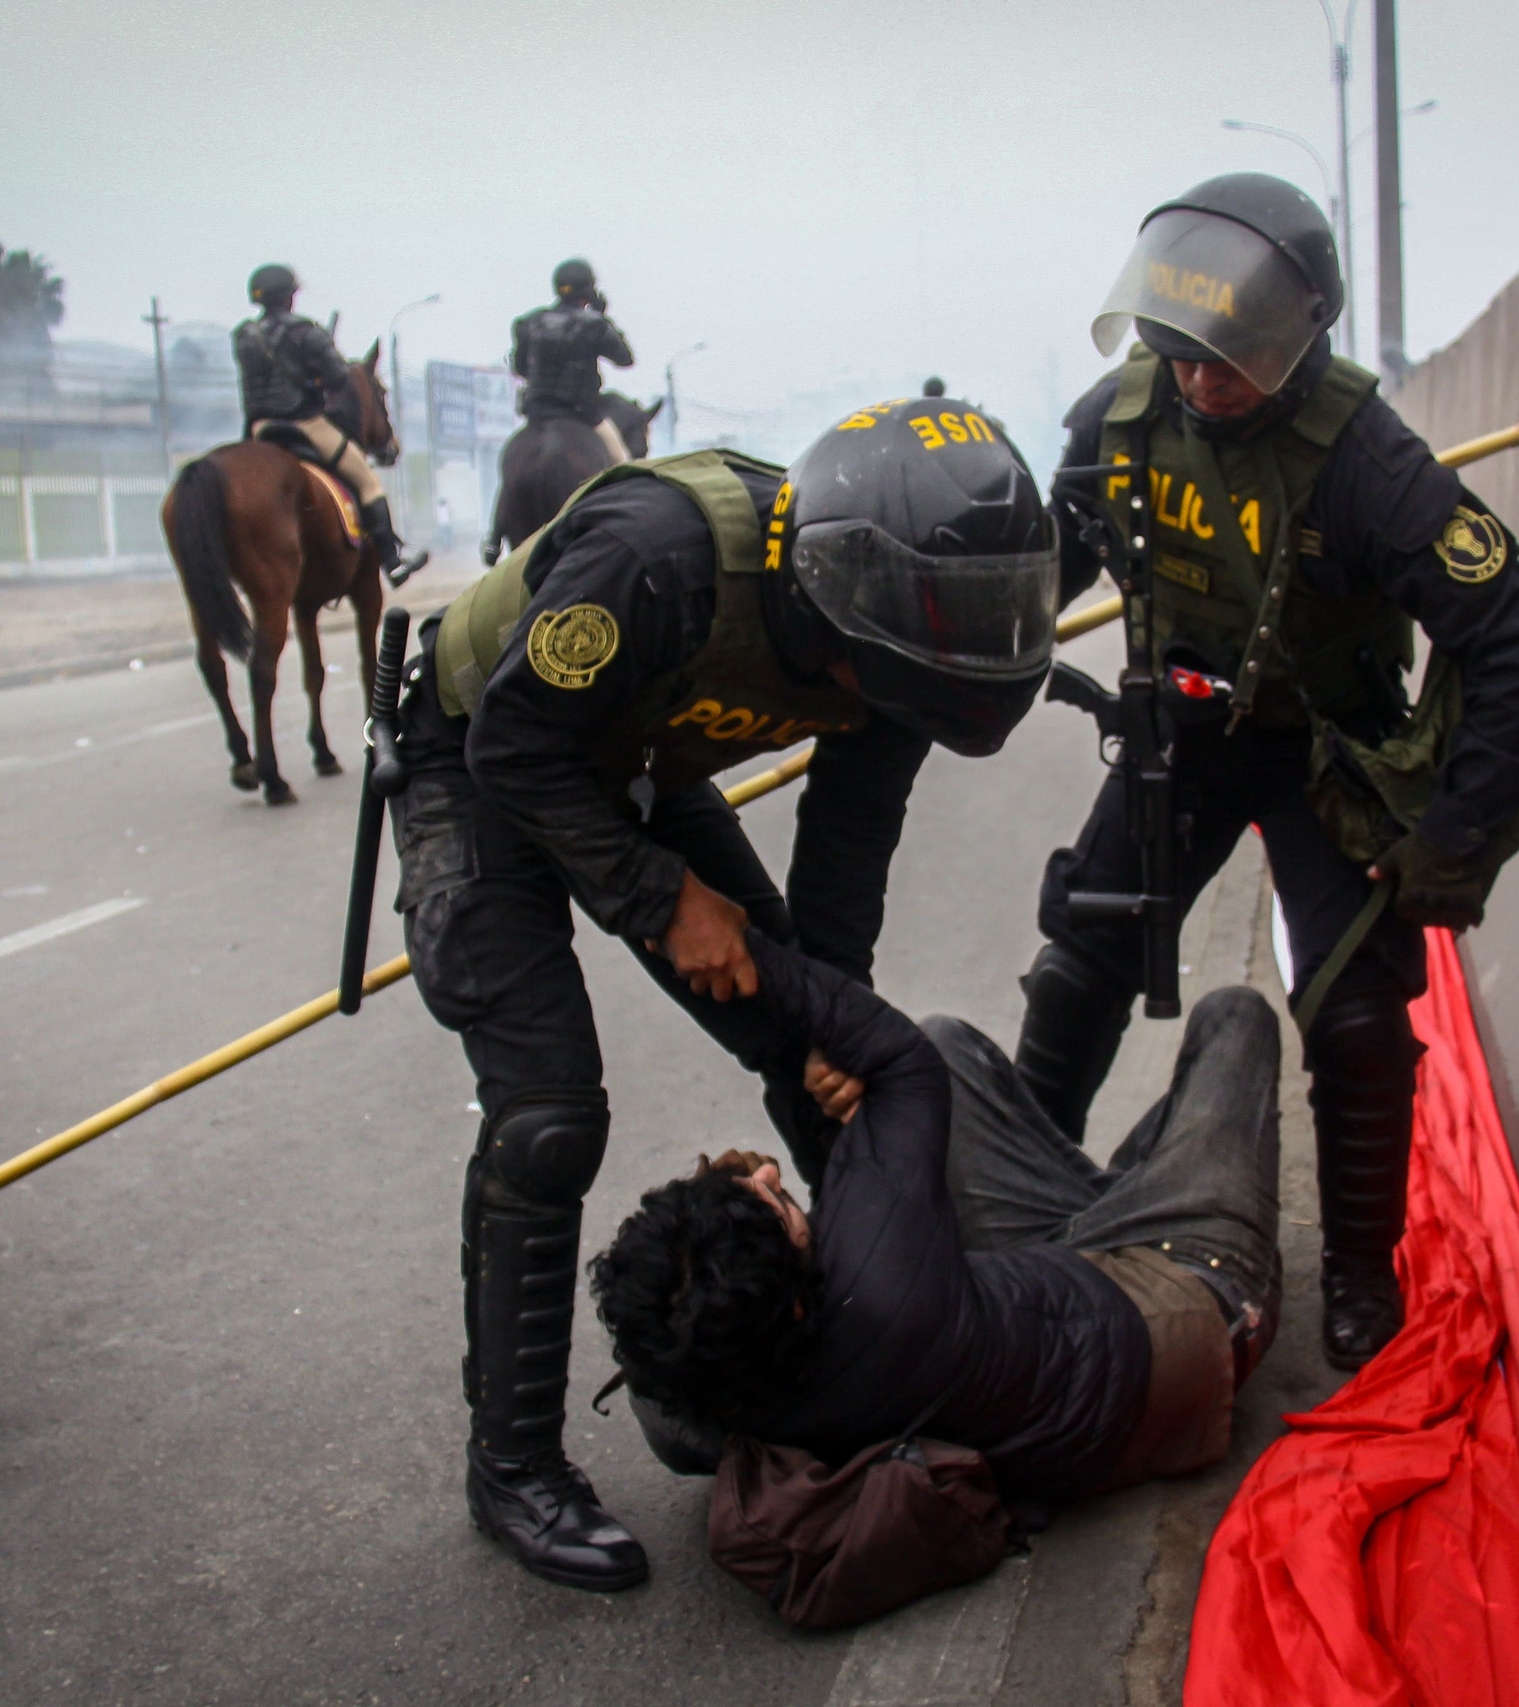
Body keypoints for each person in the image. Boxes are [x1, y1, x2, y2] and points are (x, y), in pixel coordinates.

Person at [394, 397, 1060, 1590]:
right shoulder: (654, 561)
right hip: (486, 749)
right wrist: (662, 899)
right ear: (835, 589)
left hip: (635, 760)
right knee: (548, 1120)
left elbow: (848, 847)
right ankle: (512, 1469)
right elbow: (517, 747)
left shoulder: (910, 644)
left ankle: (889, 1351)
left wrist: (830, 1022)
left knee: (824, 1062)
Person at [1017, 173, 1519, 1372]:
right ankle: (1013, 1208)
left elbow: (1515, 641)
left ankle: (1362, 1276)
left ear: (1293, 340)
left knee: (1360, 1016)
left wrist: (1454, 837)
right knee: (1079, 963)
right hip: (1189, 735)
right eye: (1181, 356)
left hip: (1323, 747)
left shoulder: (1368, 461)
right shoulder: (1115, 421)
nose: (1199, 383)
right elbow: (1046, 571)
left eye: (1227, 361)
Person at [589, 930, 1281, 1512]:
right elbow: (897, 1058)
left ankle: (1128, 1181)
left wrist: (735, 1208)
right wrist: (729, 941)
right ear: (799, 1299)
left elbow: (666, 1315)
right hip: (1176, 1307)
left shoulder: (683, 1398)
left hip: (1022, 1296)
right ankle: (1149, 1189)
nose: (769, 1174)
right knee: (1235, 1017)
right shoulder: (884, 1266)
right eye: (780, 1203)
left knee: (952, 1043)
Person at [230, 263, 401, 575]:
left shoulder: (243, 337)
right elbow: (338, 379)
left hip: (260, 428)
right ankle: (392, 562)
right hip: (306, 425)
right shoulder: (305, 332)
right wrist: (315, 380)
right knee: (368, 482)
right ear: (289, 297)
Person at [509, 260, 633, 449]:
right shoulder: (594, 324)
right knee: (621, 461)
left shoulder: (530, 323)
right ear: (589, 291)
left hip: (537, 412)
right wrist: (602, 316)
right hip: (582, 412)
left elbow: (520, 369)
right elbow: (625, 359)